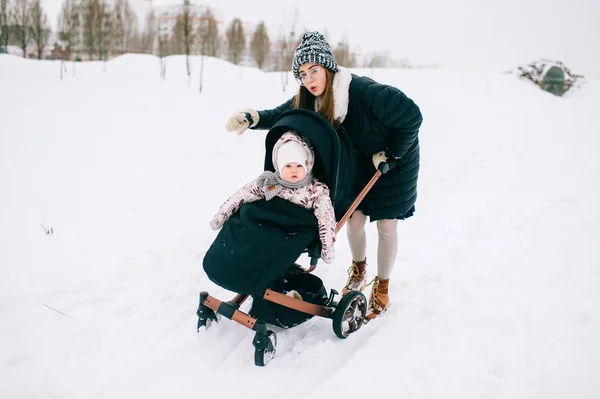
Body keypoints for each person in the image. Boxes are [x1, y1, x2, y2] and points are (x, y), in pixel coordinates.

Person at [224, 31, 423, 321]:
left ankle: (382, 287)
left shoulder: (367, 93)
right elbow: (281, 114)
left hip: (394, 162)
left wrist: (392, 153)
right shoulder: (310, 97)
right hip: (357, 163)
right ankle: (358, 269)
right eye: (302, 74)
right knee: (354, 220)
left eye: (313, 71)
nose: (309, 79)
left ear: (328, 67)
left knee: (385, 227)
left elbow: (411, 116)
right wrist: (251, 117)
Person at [210, 131, 336, 264]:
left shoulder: (315, 190)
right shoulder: (270, 182)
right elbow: (244, 194)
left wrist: (327, 245)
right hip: (265, 229)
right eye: (288, 166)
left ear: (308, 164)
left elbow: (326, 217)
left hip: (292, 234)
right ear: (279, 165)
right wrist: (223, 213)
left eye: (299, 166)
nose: (294, 170)